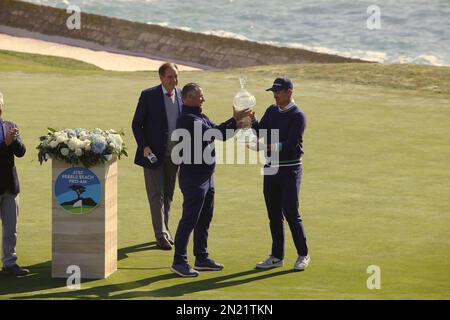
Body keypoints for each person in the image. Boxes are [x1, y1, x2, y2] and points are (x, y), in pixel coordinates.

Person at [170, 83, 250, 277]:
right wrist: (235, 120)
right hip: (194, 179)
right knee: (189, 220)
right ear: (187, 98)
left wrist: (238, 124)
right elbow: (217, 134)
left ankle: (201, 257)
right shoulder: (189, 119)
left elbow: (218, 131)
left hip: (207, 177)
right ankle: (179, 261)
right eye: (199, 96)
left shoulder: (200, 116)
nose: (203, 99)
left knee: (205, 218)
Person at [250, 77, 310, 271]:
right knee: (273, 214)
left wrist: (264, 146)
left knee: (291, 212)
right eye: (273, 92)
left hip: (290, 169)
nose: (275, 95)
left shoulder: (298, 115)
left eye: (279, 92)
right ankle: (277, 256)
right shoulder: (271, 111)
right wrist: (251, 120)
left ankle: (303, 254)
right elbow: (261, 132)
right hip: (271, 168)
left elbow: (291, 143)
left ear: (289, 92)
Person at [131, 62, 183, 250]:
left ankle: (165, 230)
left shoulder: (181, 95)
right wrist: (144, 146)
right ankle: (160, 235)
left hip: (175, 155)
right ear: (161, 78)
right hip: (152, 154)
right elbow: (137, 124)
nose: (173, 80)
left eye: (176, 76)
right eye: (170, 77)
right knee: (156, 195)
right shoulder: (149, 95)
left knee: (168, 195)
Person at [0, 91, 29, 276]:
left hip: (10, 186)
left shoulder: (10, 125)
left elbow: (21, 152)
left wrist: (13, 142)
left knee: (11, 228)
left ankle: (9, 264)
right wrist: (6, 144)